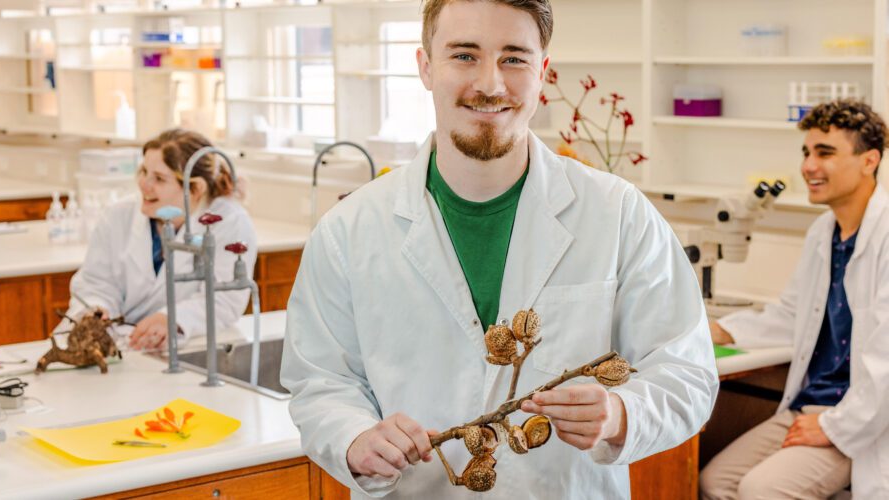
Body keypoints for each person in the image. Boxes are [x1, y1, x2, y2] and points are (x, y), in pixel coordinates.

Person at [280, 0, 718, 497]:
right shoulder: (348, 230)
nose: (490, 84)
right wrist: (353, 436)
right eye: (464, 55)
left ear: (542, 71)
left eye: (513, 58)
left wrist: (622, 414)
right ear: (426, 67)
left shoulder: (618, 214)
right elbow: (320, 381)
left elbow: (687, 373)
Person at [700, 100, 889, 499]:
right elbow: (792, 315)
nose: (808, 166)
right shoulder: (823, 232)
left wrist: (833, 426)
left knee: (760, 490)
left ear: (869, 160)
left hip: (861, 420)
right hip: (807, 407)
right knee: (715, 483)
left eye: (825, 153)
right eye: (806, 152)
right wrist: (719, 330)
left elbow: (885, 365)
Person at [56, 129, 257, 350]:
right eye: (144, 171)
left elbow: (225, 301)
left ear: (195, 188)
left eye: (159, 179)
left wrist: (172, 318)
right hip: (114, 344)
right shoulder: (118, 215)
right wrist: (96, 309)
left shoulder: (229, 222)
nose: (143, 184)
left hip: (184, 345)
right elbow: (96, 282)